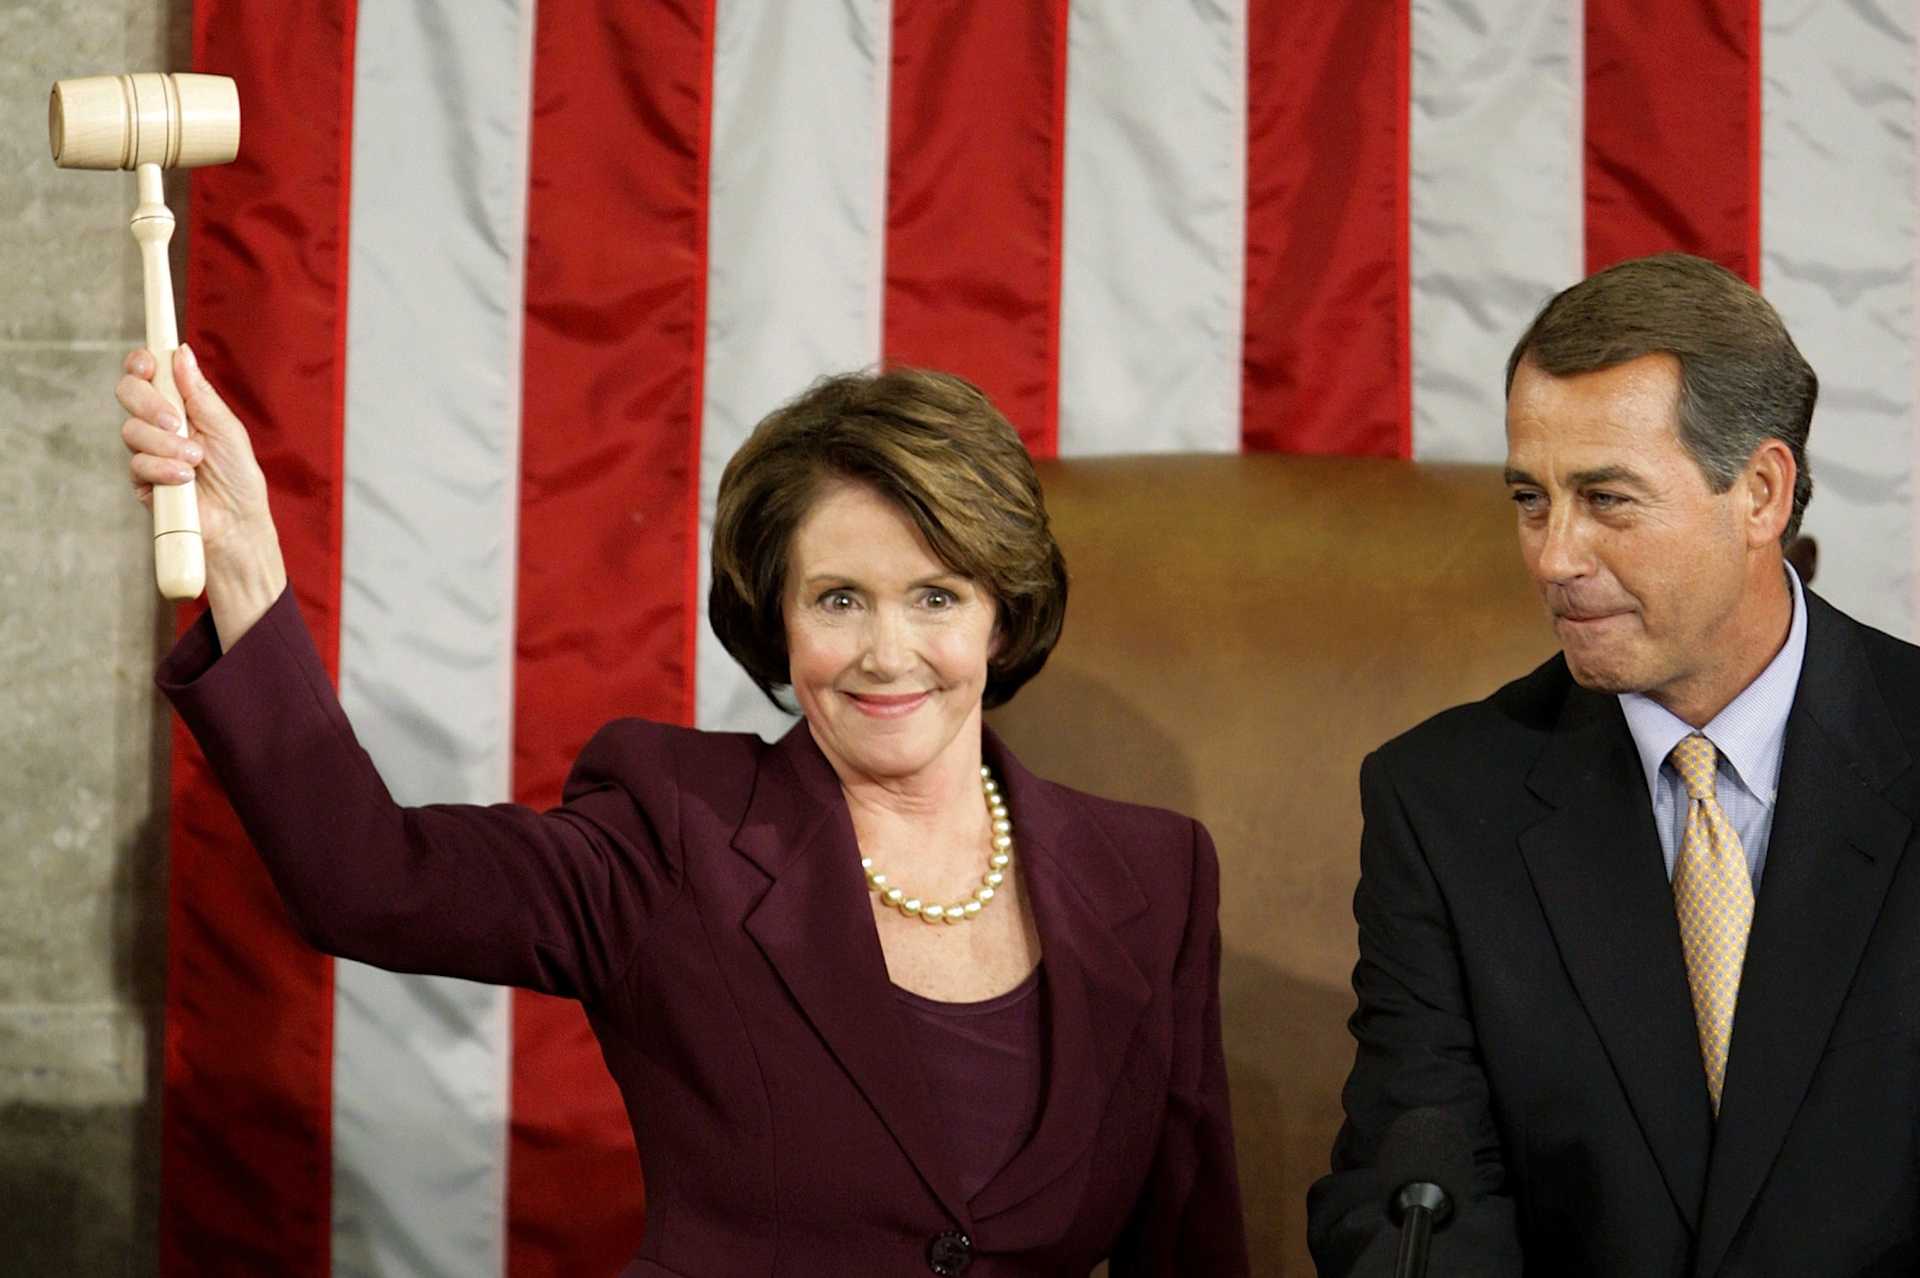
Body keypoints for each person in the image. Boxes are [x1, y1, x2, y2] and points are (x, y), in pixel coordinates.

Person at [118, 350, 1248, 1277]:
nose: (887, 653)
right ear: (779, 620)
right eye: (839, 599)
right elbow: (370, 880)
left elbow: (1190, 1241)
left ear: (1004, 617)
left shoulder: (1153, 878)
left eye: (937, 595)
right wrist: (245, 565)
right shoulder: (675, 833)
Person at [1308, 253, 1920, 1275]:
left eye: (1607, 498)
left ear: (1761, 491)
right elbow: (1413, 1188)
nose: (1553, 556)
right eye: (1530, 498)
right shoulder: (1441, 804)